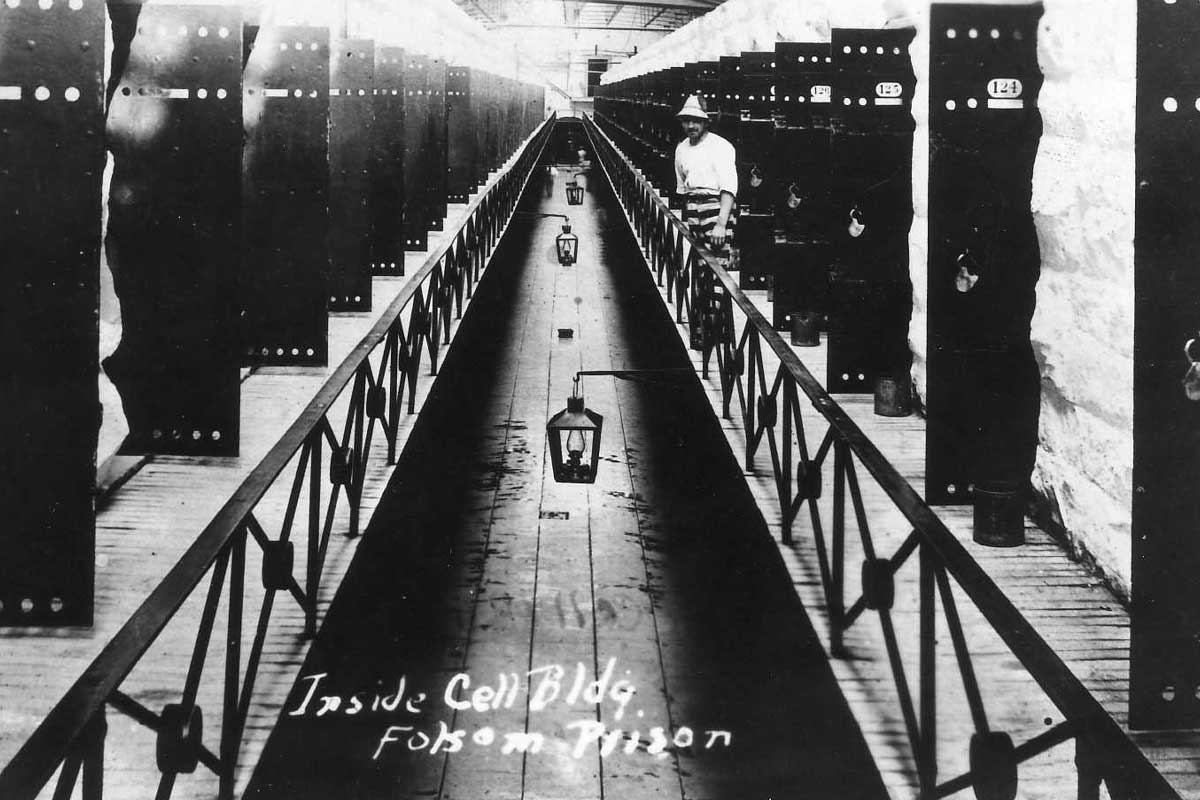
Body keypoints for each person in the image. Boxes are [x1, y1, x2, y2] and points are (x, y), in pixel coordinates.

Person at [673, 94, 739, 251]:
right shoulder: (681, 148)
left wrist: (721, 225)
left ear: (705, 122)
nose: (690, 126)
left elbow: (729, 189)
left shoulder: (721, 146)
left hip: (716, 208)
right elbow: (683, 187)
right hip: (693, 207)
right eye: (686, 121)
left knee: (717, 262)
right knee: (699, 260)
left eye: (696, 121)